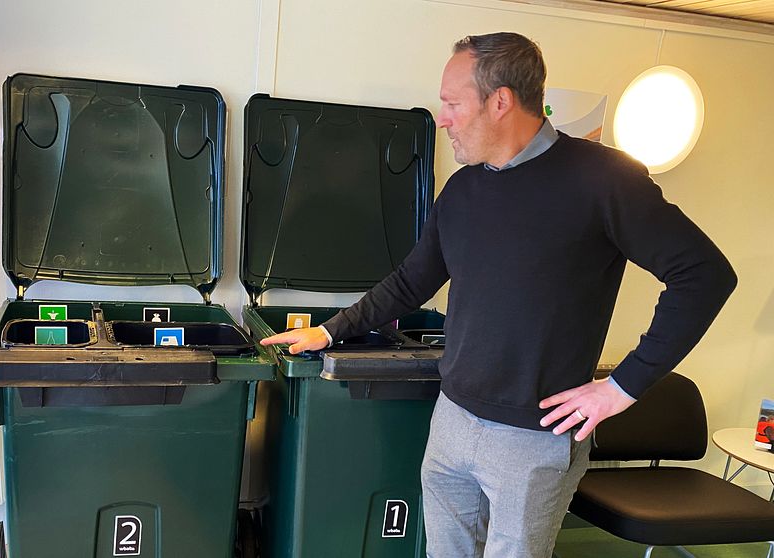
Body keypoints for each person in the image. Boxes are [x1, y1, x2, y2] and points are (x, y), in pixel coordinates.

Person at [261, 32, 736, 558]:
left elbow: (705, 275)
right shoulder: (463, 189)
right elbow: (411, 281)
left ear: (500, 101)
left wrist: (622, 387)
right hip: (452, 418)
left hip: (535, 439)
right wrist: (330, 330)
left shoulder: (605, 180)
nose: (442, 118)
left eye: (451, 103)